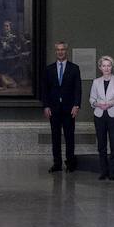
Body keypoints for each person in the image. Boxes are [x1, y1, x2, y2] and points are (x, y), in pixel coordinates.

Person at [42, 41, 81, 173]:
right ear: (55, 52)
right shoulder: (49, 69)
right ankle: (57, 164)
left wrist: (76, 105)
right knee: (55, 137)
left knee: (69, 137)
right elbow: (45, 90)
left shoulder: (74, 68)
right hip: (53, 109)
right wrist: (46, 106)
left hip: (69, 109)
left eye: (62, 49)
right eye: (58, 50)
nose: (60, 52)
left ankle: (70, 163)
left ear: (66, 51)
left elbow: (77, 89)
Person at [89, 55, 114, 180]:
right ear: (100, 68)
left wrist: (112, 103)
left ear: (112, 67)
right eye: (104, 66)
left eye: (108, 65)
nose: (106, 68)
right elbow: (91, 99)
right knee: (101, 144)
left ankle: (112, 172)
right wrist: (97, 104)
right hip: (99, 115)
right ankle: (103, 171)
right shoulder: (96, 82)